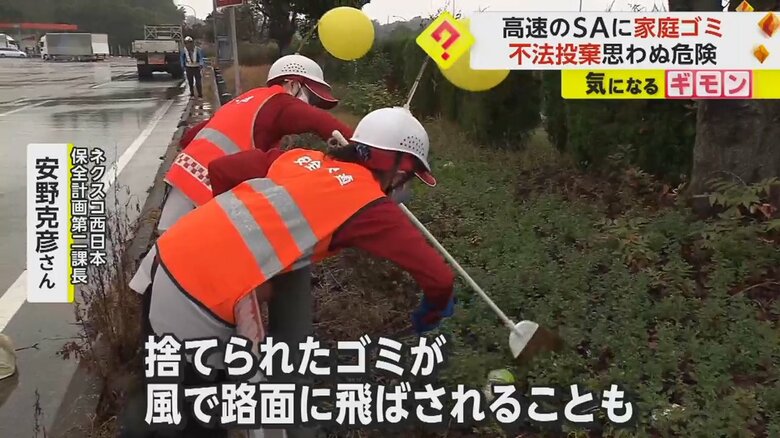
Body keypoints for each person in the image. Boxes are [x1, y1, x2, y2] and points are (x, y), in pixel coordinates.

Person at [138, 107, 456, 436]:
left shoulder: (299, 159)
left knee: (166, 396)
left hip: (167, 257)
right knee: (194, 417)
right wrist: (434, 309)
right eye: (408, 177)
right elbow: (438, 276)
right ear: (398, 167)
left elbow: (222, 170)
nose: (404, 186)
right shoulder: (369, 205)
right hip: (197, 298)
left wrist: (235, 240)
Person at [128, 54, 353, 295]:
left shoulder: (247, 99)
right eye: (312, 98)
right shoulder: (281, 102)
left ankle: (141, 297)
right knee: (178, 248)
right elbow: (321, 122)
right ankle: (153, 299)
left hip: (184, 173)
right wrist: (360, 147)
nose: (311, 106)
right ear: (293, 84)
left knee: (171, 241)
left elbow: (190, 135)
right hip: (210, 181)